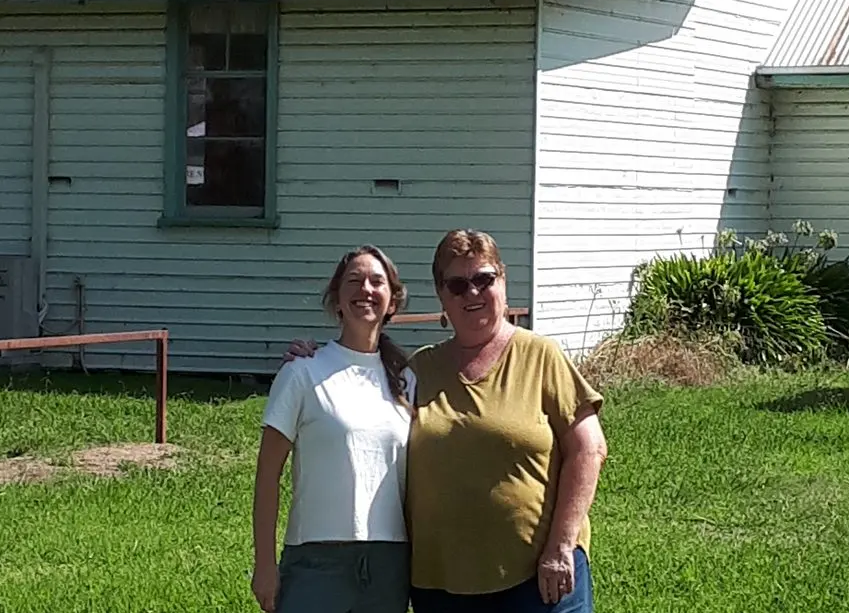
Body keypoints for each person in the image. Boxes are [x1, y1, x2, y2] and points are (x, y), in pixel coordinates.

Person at [284, 229, 608, 613]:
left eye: (483, 279)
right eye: (457, 285)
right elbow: (359, 379)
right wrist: (314, 360)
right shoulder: (418, 370)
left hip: (538, 578)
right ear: (442, 296)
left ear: (503, 281)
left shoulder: (542, 356)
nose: (472, 293)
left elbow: (589, 448)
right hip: (441, 585)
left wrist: (561, 546)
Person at [252, 245, 416, 613]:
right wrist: (264, 563)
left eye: (377, 282)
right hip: (316, 561)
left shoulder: (407, 380)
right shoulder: (302, 373)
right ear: (337, 300)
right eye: (354, 281)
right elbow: (267, 475)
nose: (366, 290)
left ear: (392, 301)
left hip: (388, 564)